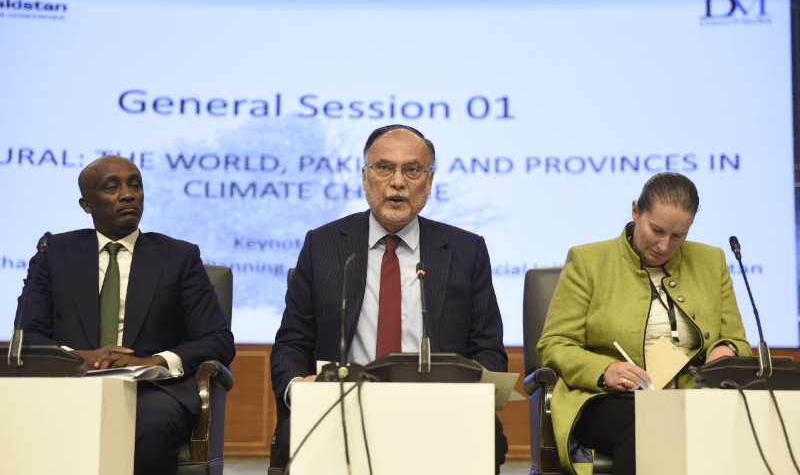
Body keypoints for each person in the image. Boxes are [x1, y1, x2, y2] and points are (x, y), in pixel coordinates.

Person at [269, 124, 508, 473]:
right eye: (384, 168)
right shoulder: (323, 245)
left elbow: (488, 349)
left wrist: (468, 396)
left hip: (439, 414)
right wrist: (298, 390)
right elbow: (292, 343)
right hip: (341, 410)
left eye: (412, 170)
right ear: (365, 177)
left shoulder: (465, 250)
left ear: (428, 182)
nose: (397, 182)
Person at [14, 155, 236, 475]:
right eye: (112, 187)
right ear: (87, 204)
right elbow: (27, 334)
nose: (128, 194)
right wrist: (83, 359)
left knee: (153, 422)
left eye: (135, 184)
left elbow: (218, 340)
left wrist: (153, 362)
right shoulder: (54, 253)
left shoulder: (178, 257)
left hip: (150, 390)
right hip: (68, 384)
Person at [537, 172, 751, 475]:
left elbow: (737, 341)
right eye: (657, 230)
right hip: (609, 399)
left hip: (694, 397)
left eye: (678, 236)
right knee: (647, 419)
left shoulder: (711, 261)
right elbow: (554, 344)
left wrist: (726, 351)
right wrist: (605, 370)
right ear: (636, 211)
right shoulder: (589, 261)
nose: (664, 245)